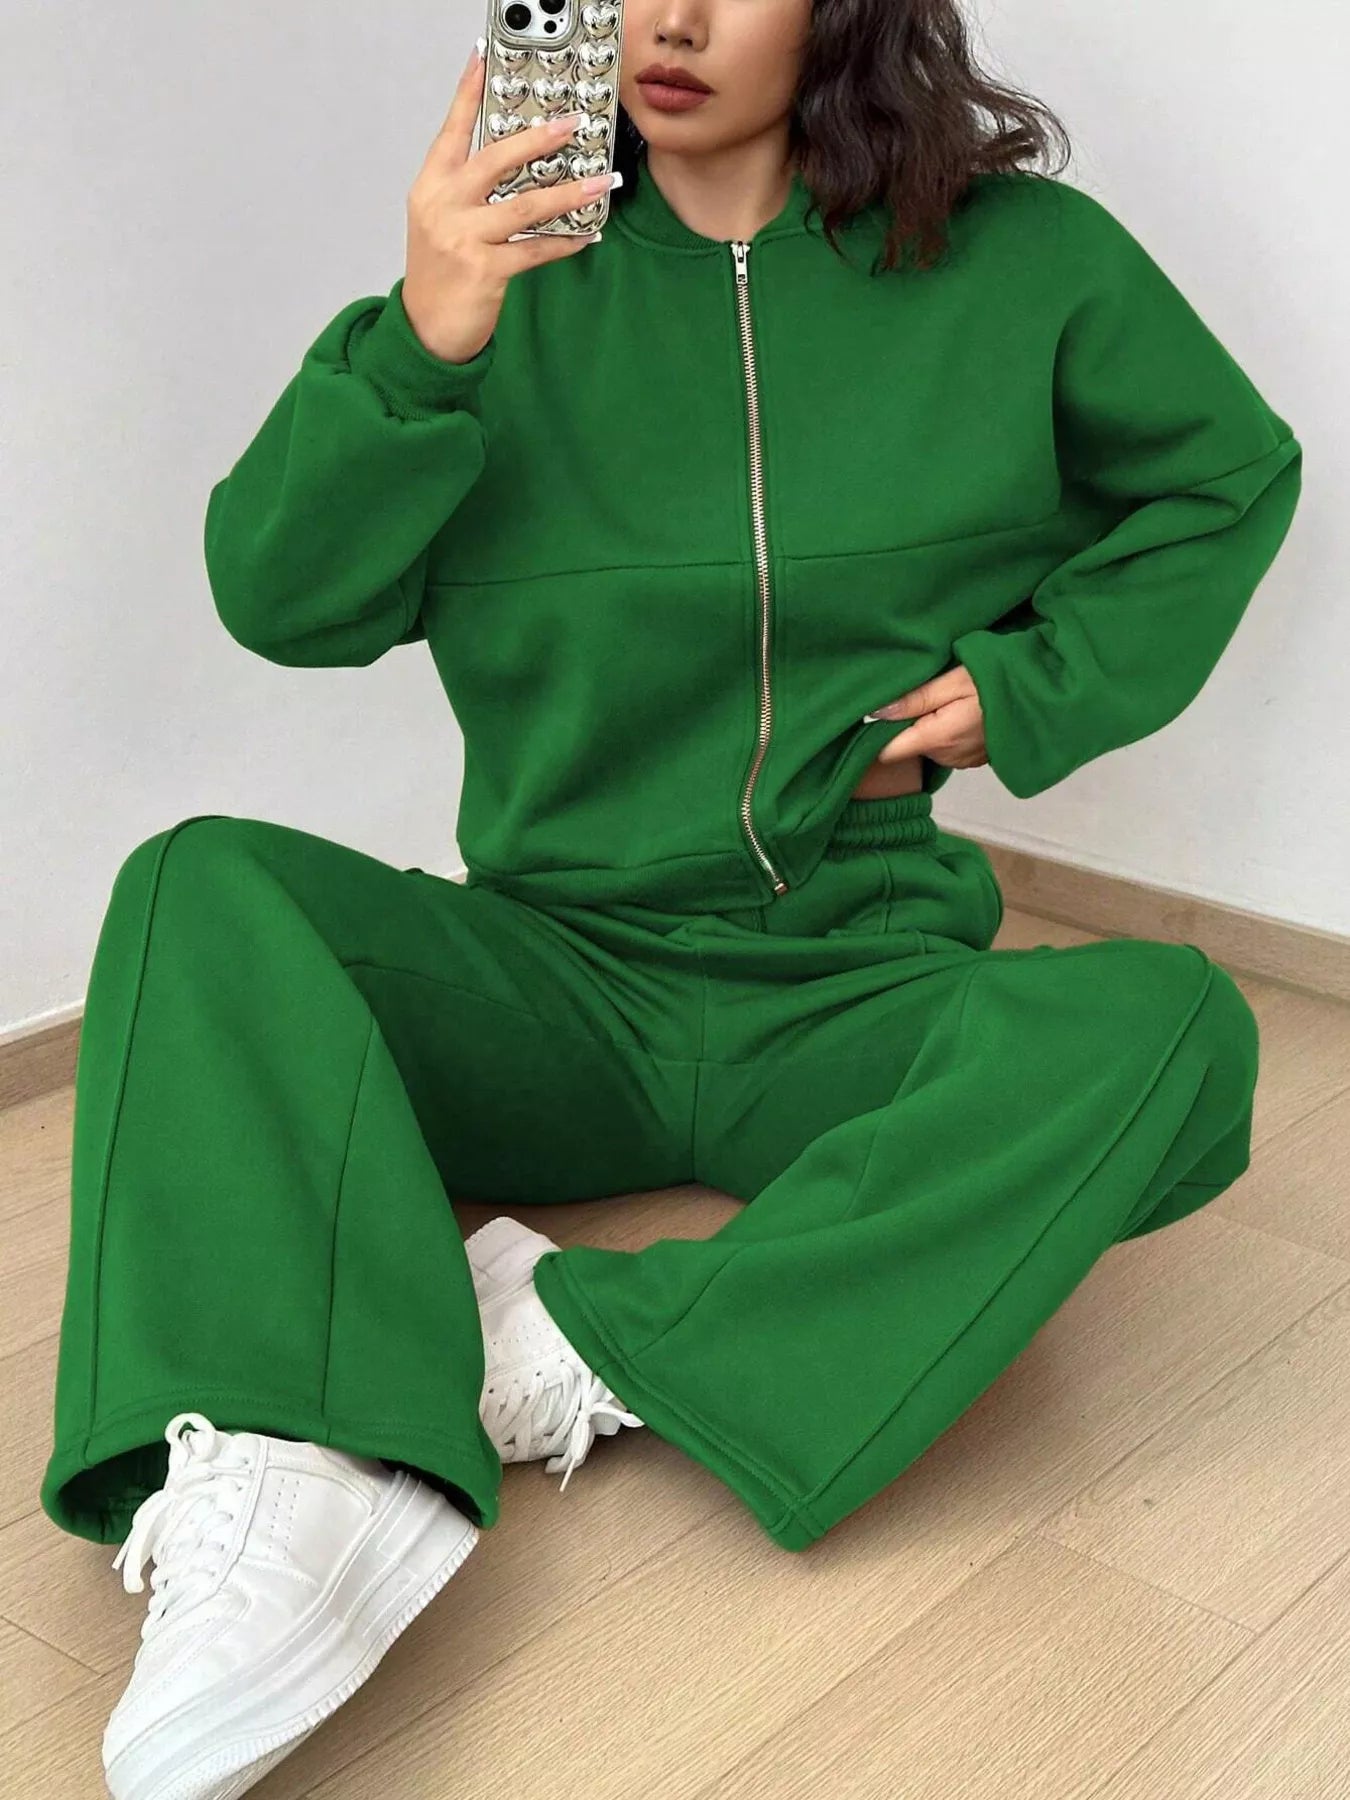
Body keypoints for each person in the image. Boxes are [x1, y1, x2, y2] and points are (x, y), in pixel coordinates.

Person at [40, 0, 1303, 1794]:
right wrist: (425, 336)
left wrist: (1028, 686)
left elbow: (1225, 474)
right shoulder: (499, 286)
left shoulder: (1025, 263)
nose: (675, 19)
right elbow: (279, 599)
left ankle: (573, 1337)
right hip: (556, 975)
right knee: (198, 884)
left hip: (854, 990)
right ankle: (284, 1470)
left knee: (1170, 1026)